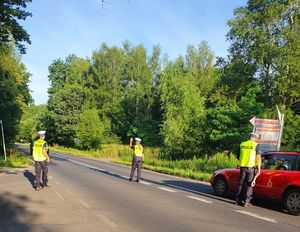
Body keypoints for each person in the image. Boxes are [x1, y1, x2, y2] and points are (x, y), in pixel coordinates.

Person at [235, 133, 261, 207]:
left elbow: (238, 156)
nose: (256, 139)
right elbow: (258, 157)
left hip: (242, 167)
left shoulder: (242, 144)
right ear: (252, 137)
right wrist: (259, 168)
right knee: (250, 184)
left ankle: (238, 200)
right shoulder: (256, 145)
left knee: (241, 184)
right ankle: (246, 202)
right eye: (256, 137)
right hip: (251, 168)